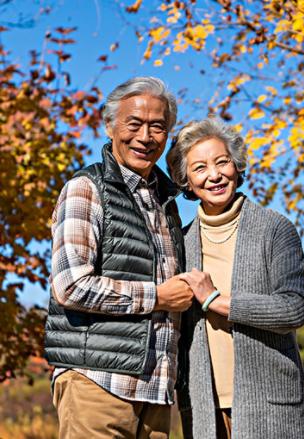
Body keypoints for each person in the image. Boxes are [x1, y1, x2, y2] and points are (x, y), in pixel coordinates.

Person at [44, 76, 193, 438]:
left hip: (156, 391)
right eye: (134, 124)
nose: (145, 136)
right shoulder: (86, 189)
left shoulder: (165, 202)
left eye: (158, 126)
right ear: (110, 125)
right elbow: (71, 286)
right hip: (98, 385)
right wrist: (158, 296)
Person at [166, 117, 304, 438]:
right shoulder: (182, 241)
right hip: (204, 406)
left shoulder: (274, 228)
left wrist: (215, 300)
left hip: (270, 405)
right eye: (200, 168)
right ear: (186, 181)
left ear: (237, 166)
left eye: (222, 162)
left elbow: (295, 308)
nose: (215, 175)